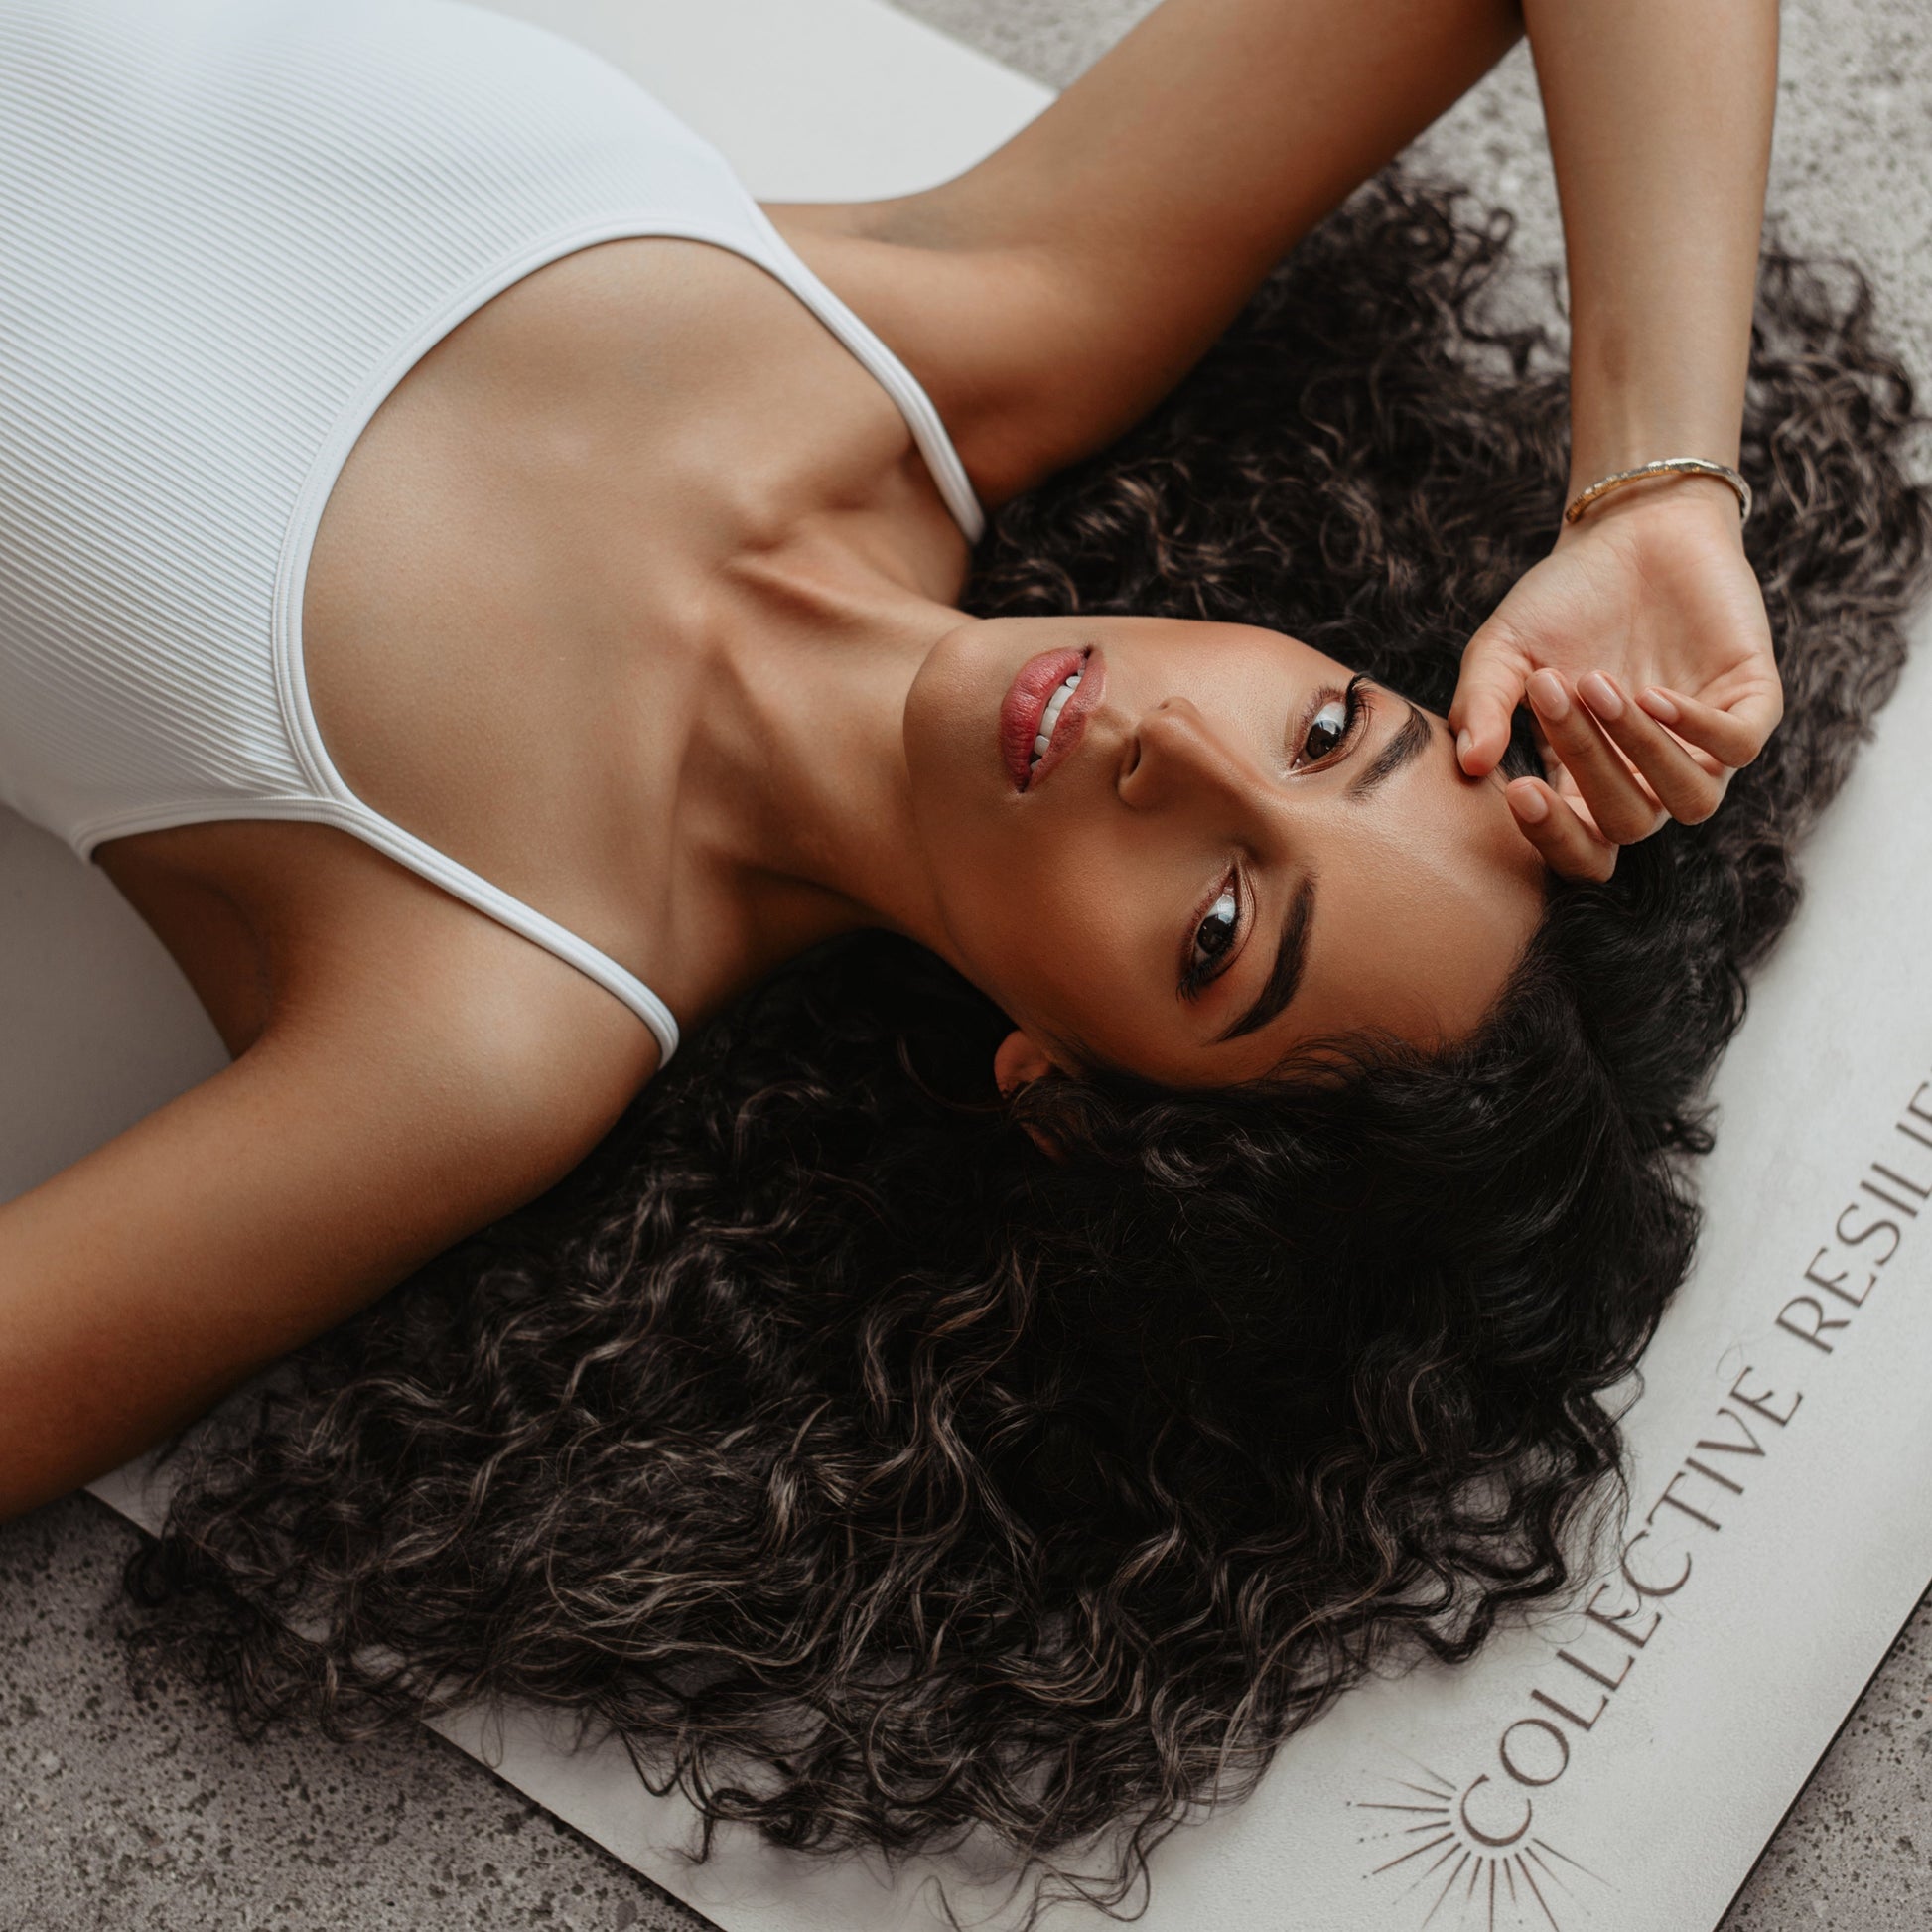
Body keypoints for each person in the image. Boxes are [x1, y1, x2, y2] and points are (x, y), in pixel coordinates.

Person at [1, 0, 1926, 1916]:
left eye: (1217, 926)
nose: (1165, 749)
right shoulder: (1000, 312)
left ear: (1069, 1101)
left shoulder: (487, 1017)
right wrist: (1658, 484)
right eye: (1329, 732)